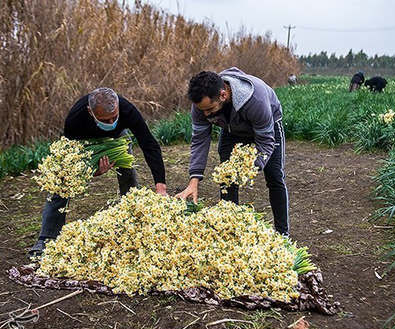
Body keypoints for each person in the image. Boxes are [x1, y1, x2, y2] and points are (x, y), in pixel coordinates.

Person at [28, 87, 168, 257]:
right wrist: (92, 170)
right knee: (62, 178)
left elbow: (149, 144)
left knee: (127, 168)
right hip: (85, 141)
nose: (110, 123)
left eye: (114, 118)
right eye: (105, 120)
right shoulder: (75, 119)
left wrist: (160, 187)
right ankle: (47, 237)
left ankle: (135, 216)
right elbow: (74, 160)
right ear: (90, 111)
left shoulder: (127, 110)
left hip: (117, 139)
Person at [175, 67, 289, 237]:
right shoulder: (201, 106)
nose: (206, 114)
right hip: (231, 130)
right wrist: (194, 179)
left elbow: (265, 141)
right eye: (202, 110)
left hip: (267, 128)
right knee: (227, 177)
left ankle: (282, 233)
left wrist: (251, 167)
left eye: (210, 109)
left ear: (223, 95)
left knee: (274, 177)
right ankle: (231, 228)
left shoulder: (255, 99)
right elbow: (199, 141)